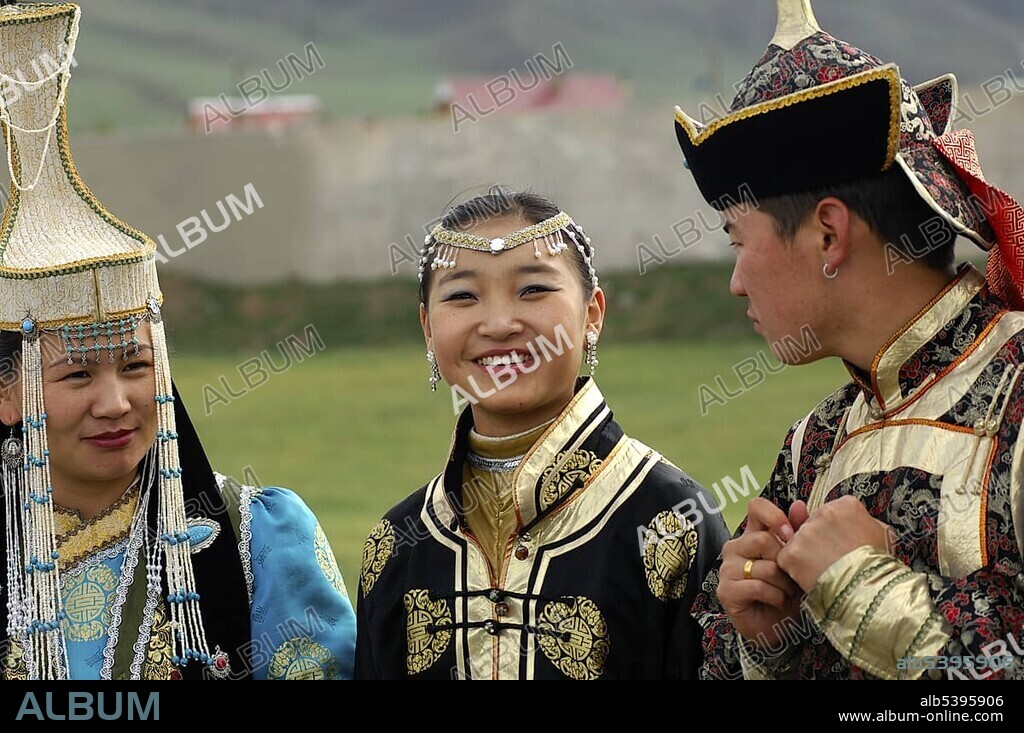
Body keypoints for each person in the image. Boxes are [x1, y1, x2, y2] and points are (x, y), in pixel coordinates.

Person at [0, 3, 355, 680]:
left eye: (137, 365)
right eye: (78, 375)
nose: (117, 402)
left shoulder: (257, 542)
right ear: (7, 395)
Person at [674, 0, 1024, 680]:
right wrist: (766, 639)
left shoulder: (1015, 394)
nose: (736, 283)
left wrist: (862, 587)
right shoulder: (815, 442)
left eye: (739, 242)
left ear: (829, 234)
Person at [354, 187, 728, 680]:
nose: (500, 324)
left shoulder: (672, 520)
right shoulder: (397, 544)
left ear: (592, 314)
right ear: (428, 328)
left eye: (533, 290)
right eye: (463, 296)